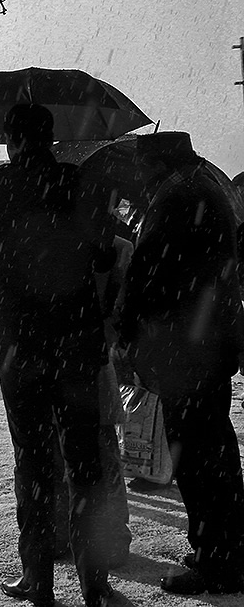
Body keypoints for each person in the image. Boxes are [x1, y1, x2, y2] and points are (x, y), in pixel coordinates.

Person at [0, 103, 116, 607]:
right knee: (85, 461)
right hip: (75, 337)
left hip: (21, 342)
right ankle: (94, 580)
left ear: (9, 140)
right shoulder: (82, 183)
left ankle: (38, 576)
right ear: (52, 137)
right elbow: (103, 253)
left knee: (32, 461)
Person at [118, 132, 244, 595]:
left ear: (158, 164)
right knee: (215, 453)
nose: (139, 177)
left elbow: (149, 273)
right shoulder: (204, 190)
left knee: (197, 459)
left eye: (143, 167)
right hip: (205, 346)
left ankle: (217, 563)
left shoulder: (178, 198)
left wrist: (127, 330)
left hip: (184, 350)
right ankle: (225, 548)